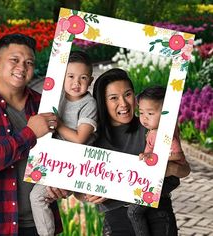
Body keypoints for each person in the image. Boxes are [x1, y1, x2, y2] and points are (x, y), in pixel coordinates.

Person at [84, 68, 190, 236]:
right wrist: (87, 193)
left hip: (156, 216)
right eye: (113, 98)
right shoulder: (92, 138)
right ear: (102, 102)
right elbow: (77, 185)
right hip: (115, 220)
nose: (124, 104)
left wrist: (168, 168)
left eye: (127, 94)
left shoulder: (151, 129)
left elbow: (184, 170)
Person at [0, 33, 62, 236]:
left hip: (41, 224)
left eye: (29, 62)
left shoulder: (44, 104)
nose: (22, 67)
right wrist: (29, 133)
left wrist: (62, 183)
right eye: (14, 60)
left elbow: (63, 152)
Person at [30, 50, 97, 236]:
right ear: (62, 77)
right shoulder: (56, 97)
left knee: (36, 197)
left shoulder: (88, 104)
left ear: (90, 81)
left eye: (83, 78)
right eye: (71, 76)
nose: (76, 83)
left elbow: (79, 139)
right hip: (57, 161)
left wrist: (57, 124)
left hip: (76, 163)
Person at [123, 85, 186, 236]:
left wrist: (155, 158)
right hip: (157, 177)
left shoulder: (165, 133)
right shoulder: (154, 131)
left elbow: (178, 155)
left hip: (167, 178)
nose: (144, 118)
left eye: (150, 113)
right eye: (141, 112)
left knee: (134, 211)